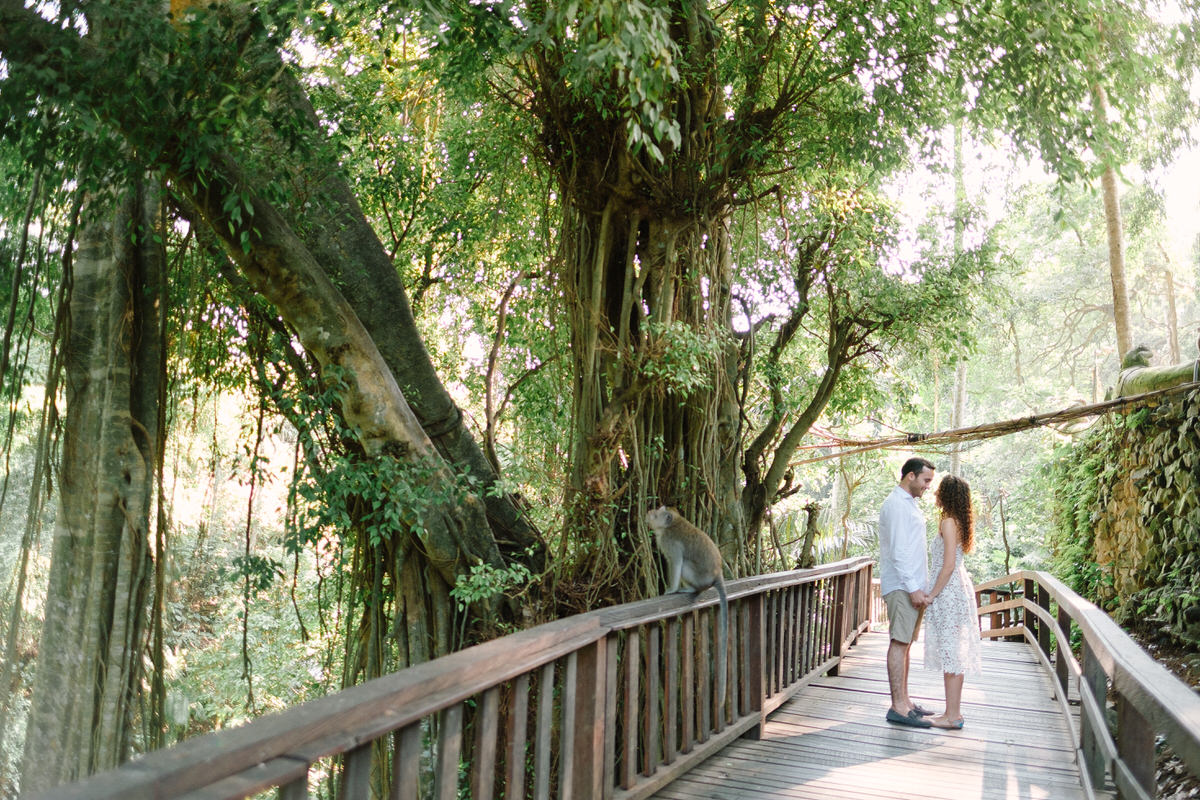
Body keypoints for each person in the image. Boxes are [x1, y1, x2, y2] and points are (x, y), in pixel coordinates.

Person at [878, 456, 935, 728]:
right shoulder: (896, 505)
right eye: (925, 480)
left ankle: (906, 702)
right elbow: (899, 551)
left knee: (906, 644)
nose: (927, 486)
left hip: (911, 584)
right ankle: (897, 706)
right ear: (910, 476)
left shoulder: (909, 504)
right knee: (899, 643)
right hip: (902, 586)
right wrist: (913, 588)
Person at [922, 474, 982, 730]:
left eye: (938, 491)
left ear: (945, 495)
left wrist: (932, 594)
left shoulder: (948, 522)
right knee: (952, 651)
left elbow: (947, 565)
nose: (934, 494)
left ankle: (953, 716)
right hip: (958, 588)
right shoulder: (958, 522)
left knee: (952, 652)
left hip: (949, 592)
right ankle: (950, 712)